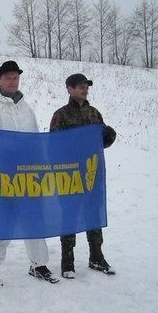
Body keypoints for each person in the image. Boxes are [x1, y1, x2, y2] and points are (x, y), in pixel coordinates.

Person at [0, 61, 58, 286]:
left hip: (28, 175)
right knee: (1, 219)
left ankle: (38, 264)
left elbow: (34, 138)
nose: (13, 81)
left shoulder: (25, 107)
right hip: (2, 176)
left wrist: (40, 164)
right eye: (9, 77)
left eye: (16, 77)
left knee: (34, 218)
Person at [49, 73, 117, 279]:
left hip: (92, 172)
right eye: (80, 86)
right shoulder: (61, 115)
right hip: (69, 175)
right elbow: (53, 145)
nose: (84, 89)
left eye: (86, 86)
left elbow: (101, 143)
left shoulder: (95, 114)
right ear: (69, 89)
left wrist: (109, 137)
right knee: (69, 215)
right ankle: (67, 261)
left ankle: (96, 256)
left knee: (93, 214)